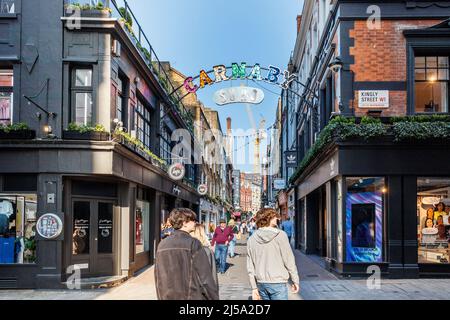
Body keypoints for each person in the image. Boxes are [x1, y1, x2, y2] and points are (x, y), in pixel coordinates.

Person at [155, 208, 219, 300]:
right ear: (184, 223)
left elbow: (159, 278)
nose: (195, 222)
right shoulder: (193, 243)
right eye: (192, 220)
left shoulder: (162, 245)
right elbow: (205, 278)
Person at [247, 208, 300, 301]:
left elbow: (250, 265)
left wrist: (254, 287)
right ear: (269, 218)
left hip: (260, 282)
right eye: (275, 216)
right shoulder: (281, 235)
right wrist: (295, 280)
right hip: (277, 282)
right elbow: (289, 260)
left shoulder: (252, 239)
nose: (278, 219)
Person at [190, 223, 219, 289]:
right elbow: (212, 274)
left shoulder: (185, 249)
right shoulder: (207, 251)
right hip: (202, 288)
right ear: (202, 234)